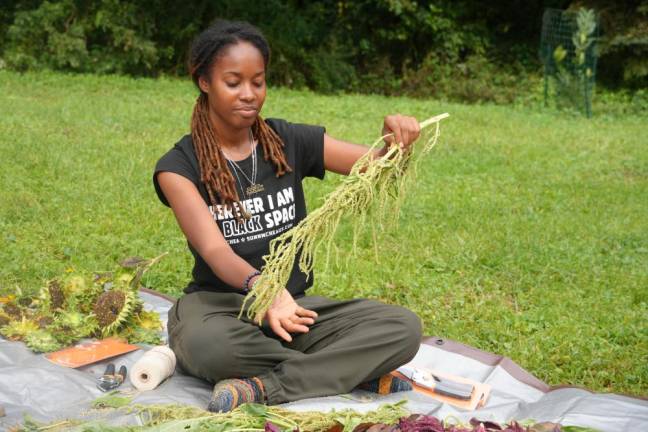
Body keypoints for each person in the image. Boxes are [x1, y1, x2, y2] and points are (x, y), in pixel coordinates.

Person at [153, 20, 423, 413]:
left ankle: (264, 387)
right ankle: (352, 370)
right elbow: (214, 249)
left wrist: (393, 143)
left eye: (258, 82)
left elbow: (374, 166)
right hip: (220, 310)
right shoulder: (178, 167)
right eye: (234, 82)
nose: (249, 95)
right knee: (207, 348)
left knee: (403, 329)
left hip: (293, 310)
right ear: (204, 82)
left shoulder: (288, 141)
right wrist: (265, 290)